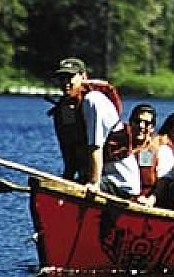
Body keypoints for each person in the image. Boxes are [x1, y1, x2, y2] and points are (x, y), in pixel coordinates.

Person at [49, 58, 141, 198]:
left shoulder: (93, 101)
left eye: (70, 77)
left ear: (83, 77)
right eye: (62, 78)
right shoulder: (66, 110)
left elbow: (95, 147)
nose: (66, 83)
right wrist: (65, 181)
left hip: (119, 182)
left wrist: (94, 183)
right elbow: (70, 151)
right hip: (94, 179)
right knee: (53, 189)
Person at [127, 103, 161, 203]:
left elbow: (146, 180)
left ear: (152, 127)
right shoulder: (118, 144)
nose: (141, 126)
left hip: (138, 199)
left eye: (146, 123)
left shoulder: (146, 152)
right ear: (130, 123)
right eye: (138, 121)